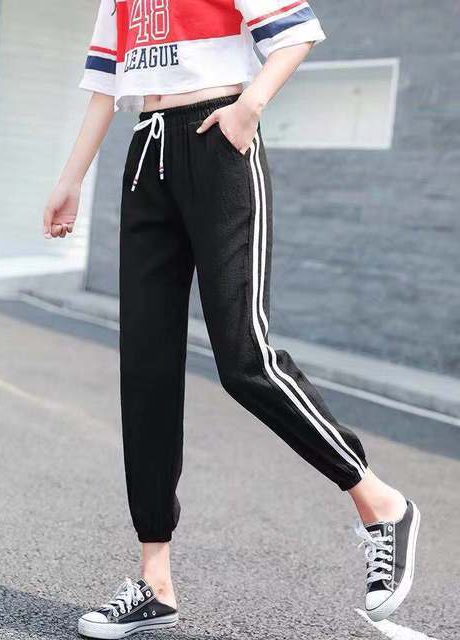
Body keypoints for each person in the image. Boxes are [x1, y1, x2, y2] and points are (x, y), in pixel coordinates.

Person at [43, 1, 421, 637]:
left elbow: (296, 34)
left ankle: (380, 501)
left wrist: (249, 107)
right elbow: (106, 86)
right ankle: (155, 582)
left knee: (245, 360)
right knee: (146, 373)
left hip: (217, 141)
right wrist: (72, 178)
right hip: (146, 155)